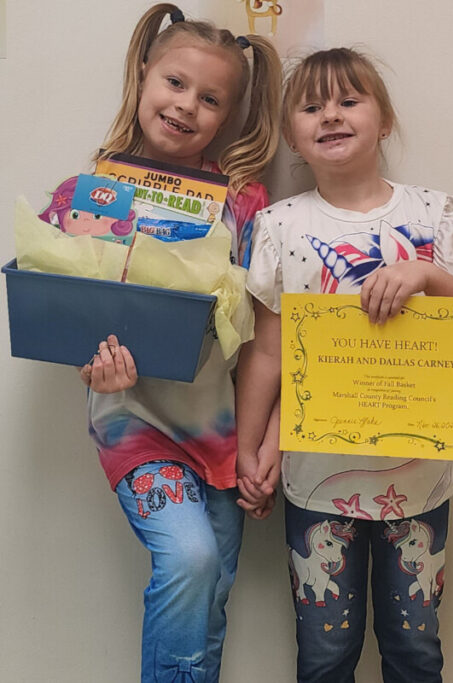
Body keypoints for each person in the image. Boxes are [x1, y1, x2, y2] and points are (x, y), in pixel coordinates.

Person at [235, 47, 453, 682]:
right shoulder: (279, 226)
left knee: (415, 650)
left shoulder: (434, 215)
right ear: (292, 135)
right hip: (315, 476)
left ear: (383, 120)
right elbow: (268, 351)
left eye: (348, 100)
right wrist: (250, 447)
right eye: (310, 106)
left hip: (421, 477)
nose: (330, 115)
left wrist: (428, 272)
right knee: (326, 653)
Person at [38, 4, 282, 681]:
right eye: (175, 83)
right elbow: (53, 307)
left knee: (208, 600)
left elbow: (269, 328)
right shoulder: (89, 192)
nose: (186, 106)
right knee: (191, 558)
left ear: (229, 114)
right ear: (144, 73)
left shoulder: (241, 203)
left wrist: (265, 442)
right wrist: (91, 366)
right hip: (134, 423)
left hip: (222, 431)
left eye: (210, 99)